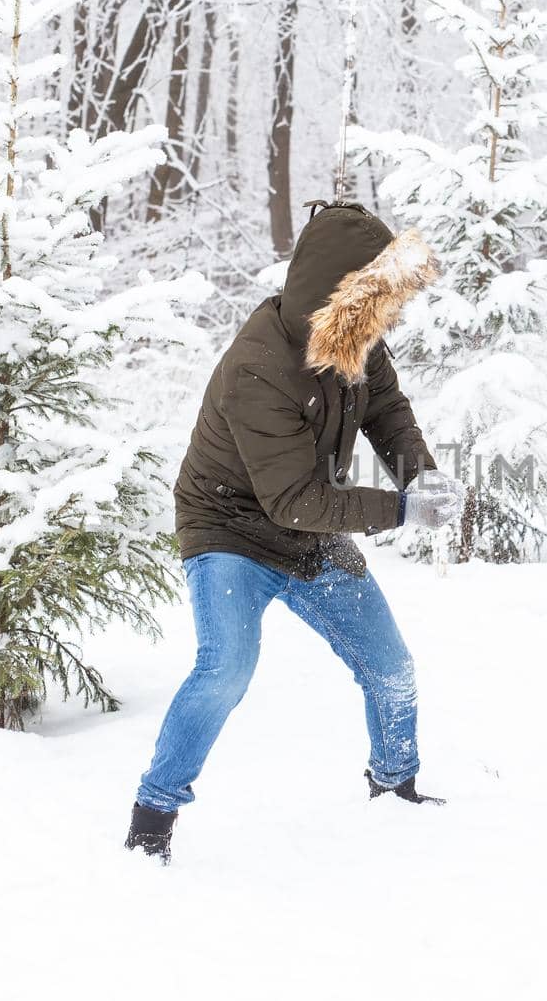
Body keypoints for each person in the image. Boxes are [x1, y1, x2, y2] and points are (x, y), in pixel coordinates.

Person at [125, 201, 466, 863]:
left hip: (308, 530)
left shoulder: (356, 341)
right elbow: (293, 498)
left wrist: (419, 477)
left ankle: (395, 788)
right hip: (230, 528)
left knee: (391, 665)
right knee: (225, 669)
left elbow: (388, 409)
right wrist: (400, 513)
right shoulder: (258, 367)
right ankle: (152, 818)